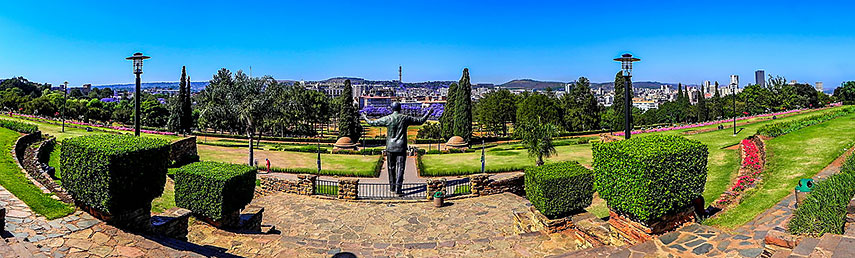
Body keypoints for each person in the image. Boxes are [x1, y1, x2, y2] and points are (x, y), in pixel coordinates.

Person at [362, 102, 430, 195]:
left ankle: (392, 187)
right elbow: (420, 121)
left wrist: (365, 117)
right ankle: (398, 188)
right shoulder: (405, 118)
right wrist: (428, 113)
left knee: (391, 167)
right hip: (401, 146)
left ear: (392, 108)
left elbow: (372, 123)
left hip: (390, 146)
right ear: (400, 108)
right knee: (401, 168)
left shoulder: (388, 118)